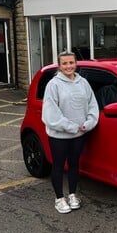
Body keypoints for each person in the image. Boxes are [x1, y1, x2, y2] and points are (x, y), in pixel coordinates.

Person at [41, 51, 99, 214]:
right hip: (59, 135)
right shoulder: (53, 85)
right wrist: (72, 126)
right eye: (65, 63)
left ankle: (73, 195)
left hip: (79, 134)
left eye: (71, 63)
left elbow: (92, 104)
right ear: (59, 66)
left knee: (74, 165)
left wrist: (89, 123)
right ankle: (59, 198)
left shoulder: (83, 83)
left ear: (76, 64)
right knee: (58, 166)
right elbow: (50, 114)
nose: (68, 66)